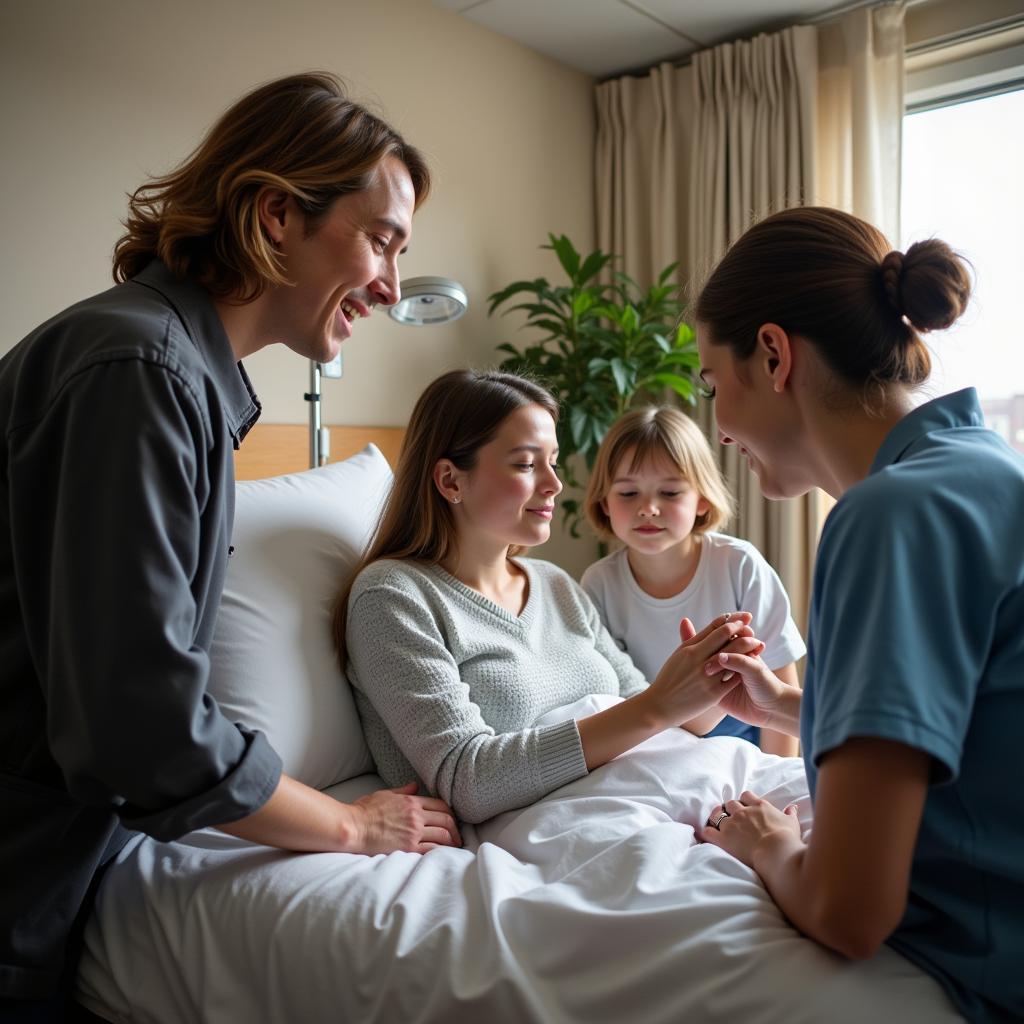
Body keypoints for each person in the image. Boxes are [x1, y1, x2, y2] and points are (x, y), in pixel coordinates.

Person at [0, 72, 461, 1019]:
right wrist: (348, 822)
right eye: (380, 241)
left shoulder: (166, 368)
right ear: (275, 214)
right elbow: (140, 727)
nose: (391, 286)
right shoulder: (139, 371)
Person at [690, 206, 1023, 1023]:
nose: (717, 427)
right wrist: (783, 706)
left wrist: (768, 844)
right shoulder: (985, 468)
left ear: (773, 355)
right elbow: (977, 724)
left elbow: (847, 910)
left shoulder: (888, 516)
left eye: (710, 384)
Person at [336, 369, 763, 825]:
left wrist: (712, 678)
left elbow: (645, 709)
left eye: (553, 462)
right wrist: (657, 705)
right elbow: (468, 781)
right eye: (525, 464)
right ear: (450, 481)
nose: (556, 484)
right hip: (570, 825)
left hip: (662, 789)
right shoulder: (393, 597)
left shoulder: (556, 584)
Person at [580, 406, 804, 755]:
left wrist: (772, 788)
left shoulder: (739, 565)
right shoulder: (599, 583)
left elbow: (780, 692)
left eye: (669, 493)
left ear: (701, 500)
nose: (648, 508)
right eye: (628, 493)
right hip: (651, 739)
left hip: (742, 734)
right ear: (605, 503)